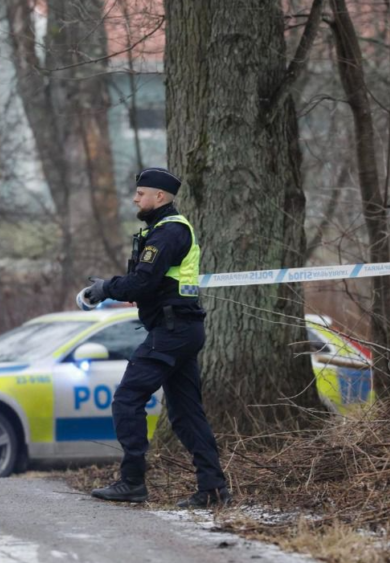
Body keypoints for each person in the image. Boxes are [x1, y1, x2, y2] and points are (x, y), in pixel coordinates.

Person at [82, 167, 231, 508]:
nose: (135, 198)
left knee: (127, 399)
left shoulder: (169, 232)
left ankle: (132, 482)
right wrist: (116, 286)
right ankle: (213, 489)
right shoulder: (164, 230)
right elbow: (151, 284)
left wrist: (106, 288)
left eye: (140, 193)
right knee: (186, 414)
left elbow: (143, 283)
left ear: (159, 197)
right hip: (179, 328)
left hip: (172, 330)